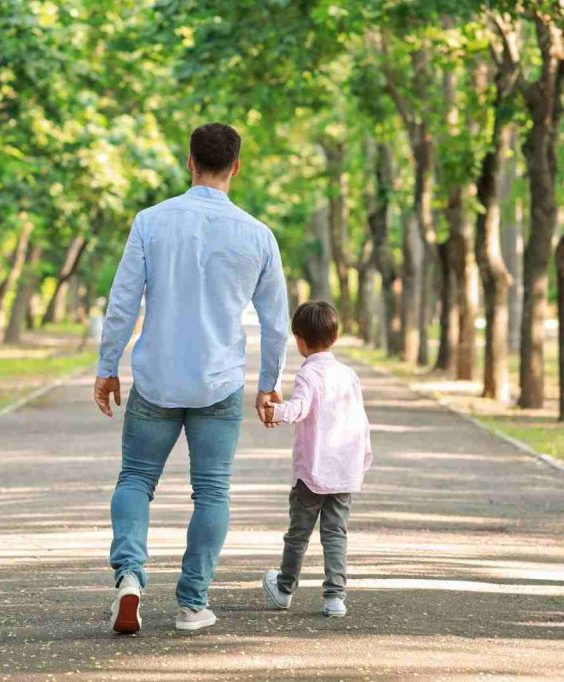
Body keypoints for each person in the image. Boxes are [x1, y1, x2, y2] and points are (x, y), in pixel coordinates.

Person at [93, 123, 289, 634]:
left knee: (136, 479)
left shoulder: (151, 222)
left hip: (156, 378)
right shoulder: (258, 235)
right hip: (218, 382)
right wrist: (269, 384)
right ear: (236, 167)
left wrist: (107, 366)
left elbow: (122, 302)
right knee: (212, 491)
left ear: (189, 162)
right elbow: (275, 322)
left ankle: (130, 577)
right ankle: (191, 603)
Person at [260, 300, 372, 618]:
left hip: (312, 471)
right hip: (343, 471)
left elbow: (299, 409)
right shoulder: (348, 375)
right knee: (336, 533)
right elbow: (361, 420)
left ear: (299, 340)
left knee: (298, 533)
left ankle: (284, 589)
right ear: (334, 337)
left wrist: (275, 411)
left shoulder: (308, 373)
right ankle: (335, 597)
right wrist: (362, 457)